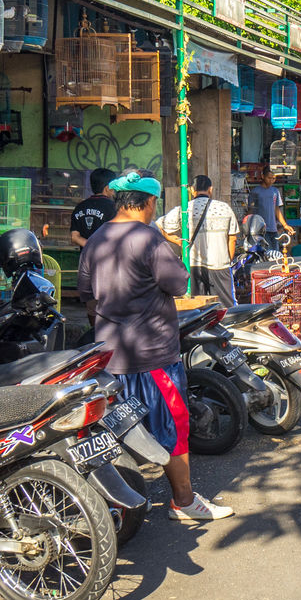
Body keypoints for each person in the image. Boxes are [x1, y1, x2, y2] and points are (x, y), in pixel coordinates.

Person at [78, 174, 232, 522]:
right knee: (174, 427)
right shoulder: (148, 239)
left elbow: (86, 295)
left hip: (109, 357)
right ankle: (183, 500)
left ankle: (120, 504)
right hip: (152, 355)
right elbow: (179, 284)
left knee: (115, 432)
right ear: (147, 203)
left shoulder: (97, 238)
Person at [159, 174, 240, 305]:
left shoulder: (184, 209)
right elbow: (232, 239)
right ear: (211, 189)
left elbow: (160, 226)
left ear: (192, 190)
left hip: (193, 266)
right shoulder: (224, 208)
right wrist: (227, 260)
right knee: (226, 307)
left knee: (197, 307)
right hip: (219, 265)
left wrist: (178, 241)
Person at [68, 168, 115, 247]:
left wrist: (91, 248)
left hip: (85, 257)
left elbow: (74, 237)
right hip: (106, 256)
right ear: (107, 188)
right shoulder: (113, 207)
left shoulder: (79, 207)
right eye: (114, 186)